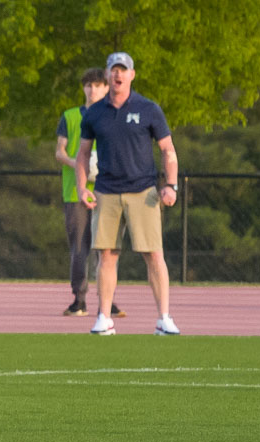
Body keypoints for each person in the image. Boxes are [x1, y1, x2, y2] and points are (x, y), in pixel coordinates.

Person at [76, 52, 181, 336]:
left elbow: (168, 150)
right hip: (107, 192)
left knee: (153, 254)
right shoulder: (95, 113)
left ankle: (164, 318)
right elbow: (83, 154)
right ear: (108, 75)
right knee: (106, 256)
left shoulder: (149, 109)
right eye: (113, 70)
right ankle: (103, 318)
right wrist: (82, 187)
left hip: (143, 192)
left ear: (132, 75)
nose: (118, 75)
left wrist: (170, 185)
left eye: (123, 70)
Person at [55, 69, 125, 319]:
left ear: (107, 88)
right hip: (76, 192)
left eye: (97, 85)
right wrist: (81, 166)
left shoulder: (115, 116)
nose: (92, 89)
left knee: (107, 248)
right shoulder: (71, 116)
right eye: (88, 85)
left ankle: (108, 300)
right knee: (79, 248)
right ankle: (79, 299)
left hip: (107, 191)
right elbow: (60, 151)